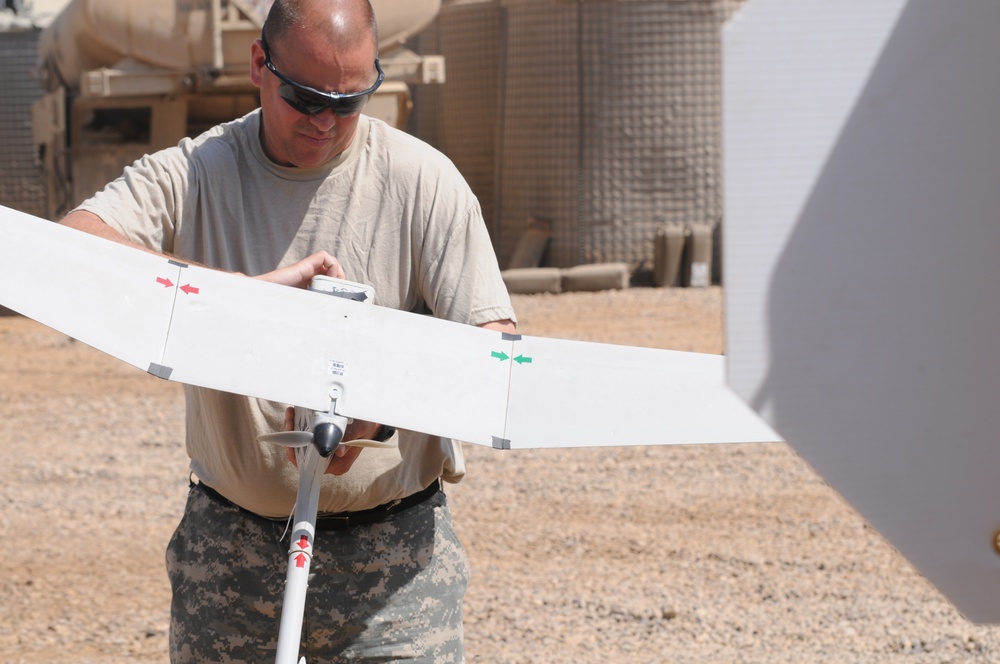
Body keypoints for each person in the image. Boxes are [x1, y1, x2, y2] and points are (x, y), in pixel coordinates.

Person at [59, 0, 516, 661]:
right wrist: (236, 299)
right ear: (258, 65)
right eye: (304, 97)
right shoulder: (201, 172)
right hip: (230, 555)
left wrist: (381, 406)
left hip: (392, 571)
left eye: (350, 99)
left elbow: (493, 349)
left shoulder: (423, 181)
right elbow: (76, 246)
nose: (325, 121)